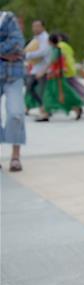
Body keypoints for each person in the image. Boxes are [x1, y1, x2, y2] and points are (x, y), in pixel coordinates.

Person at [0, 10, 26, 171]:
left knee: (16, 114)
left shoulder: (6, 17)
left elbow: (17, 44)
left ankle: (15, 156)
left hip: (13, 74)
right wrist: (4, 54)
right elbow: (10, 48)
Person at [39, 34, 84, 120]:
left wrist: (42, 72)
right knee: (51, 95)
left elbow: (52, 63)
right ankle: (45, 113)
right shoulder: (57, 49)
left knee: (58, 95)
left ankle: (76, 108)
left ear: (49, 41)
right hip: (55, 77)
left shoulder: (56, 50)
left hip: (57, 78)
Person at [24, 19, 52, 120]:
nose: (35, 28)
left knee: (40, 90)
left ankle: (45, 113)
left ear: (43, 27)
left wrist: (27, 54)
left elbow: (43, 52)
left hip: (43, 69)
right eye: (33, 26)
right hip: (36, 68)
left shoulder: (45, 38)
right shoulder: (37, 38)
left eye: (37, 26)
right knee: (31, 88)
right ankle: (43, 110)